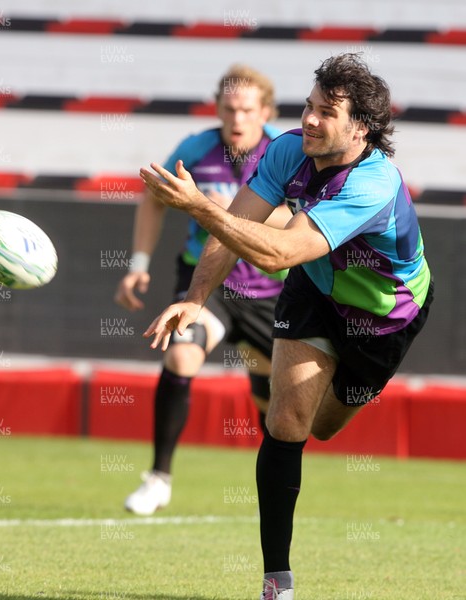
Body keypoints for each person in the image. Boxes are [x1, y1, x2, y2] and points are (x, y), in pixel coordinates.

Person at [140, 53, 433, 600]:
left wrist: (202, 208)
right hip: (315, 291)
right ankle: (277, 581)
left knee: (323, 425)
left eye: (327, 112)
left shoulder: (373, 183)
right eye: (308, 106)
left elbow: (275, 254)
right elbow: (239, 229)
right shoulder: (285, 151)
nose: (310, 121)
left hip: (384, 317)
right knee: (286, 420)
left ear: (361, 126)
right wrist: (196, 298)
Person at [115, 64, 290, 516]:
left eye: (246, 110)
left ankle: (271, 490)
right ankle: (158, 478)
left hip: (270, 290)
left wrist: (228, 212)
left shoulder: (287, 153)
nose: (236, 119)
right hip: (206, 283)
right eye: (228, 109)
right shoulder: (195, 149)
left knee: (276, 401)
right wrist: (138, 265)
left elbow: (299, 227)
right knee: (181, 353)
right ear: (217, 108)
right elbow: (153, 198)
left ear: (265, 112)